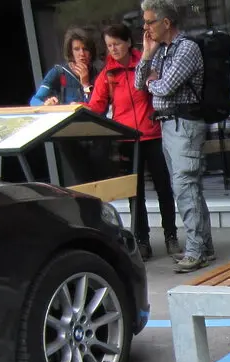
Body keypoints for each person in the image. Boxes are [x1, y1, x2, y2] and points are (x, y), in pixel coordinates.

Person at [86, 23, 178, 261]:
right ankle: (142, 241)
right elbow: (96, 107)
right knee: (135, 193)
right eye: (108, 46)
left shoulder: (146, 63)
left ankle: (171, 236)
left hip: (153, 134)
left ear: (128, 42)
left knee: (164, 188)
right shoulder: (107, 74)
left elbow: (162, 90)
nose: (113, 49)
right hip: (127, 139)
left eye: (116, 43)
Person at [136, 0, 215, 274]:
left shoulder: (186, 49)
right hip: (168, 126)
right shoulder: (160, 51)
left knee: (184, 186)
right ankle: (203, 245)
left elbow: (166, 87)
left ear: (166, 22)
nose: (145, 28)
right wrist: (147, 57)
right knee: (186, 186)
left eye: (149, 22)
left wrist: (152, 82)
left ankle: (196, 251)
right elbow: (139, 84)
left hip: (185, 124)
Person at [31, 28, 104, 185]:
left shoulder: (99, 72)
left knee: (99, 178)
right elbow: (35, 100)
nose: (81, 54)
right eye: (77, 49)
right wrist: (46, 104)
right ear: (70, 52)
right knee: (81, 178)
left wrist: (85, 83)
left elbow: (96, 105)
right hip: (69, 134)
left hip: (96, 133)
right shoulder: (59, 72)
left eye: (85, 49)